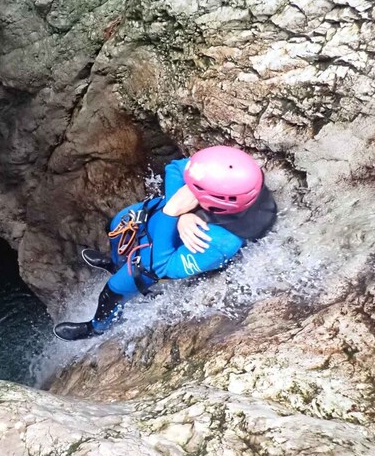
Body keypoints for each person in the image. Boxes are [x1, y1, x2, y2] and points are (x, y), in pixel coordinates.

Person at [54, 145, 278, 341]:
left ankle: (97, 326)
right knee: (116, 226)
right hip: (156, 217)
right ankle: (115, 263)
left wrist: (172, 212)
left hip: (155, 255)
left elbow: (161, 267)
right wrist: (181, 214)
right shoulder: (222, 171)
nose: (187, 186)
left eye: (193, 189)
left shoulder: (218, 243)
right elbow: (177, 167)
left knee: (113, 290)